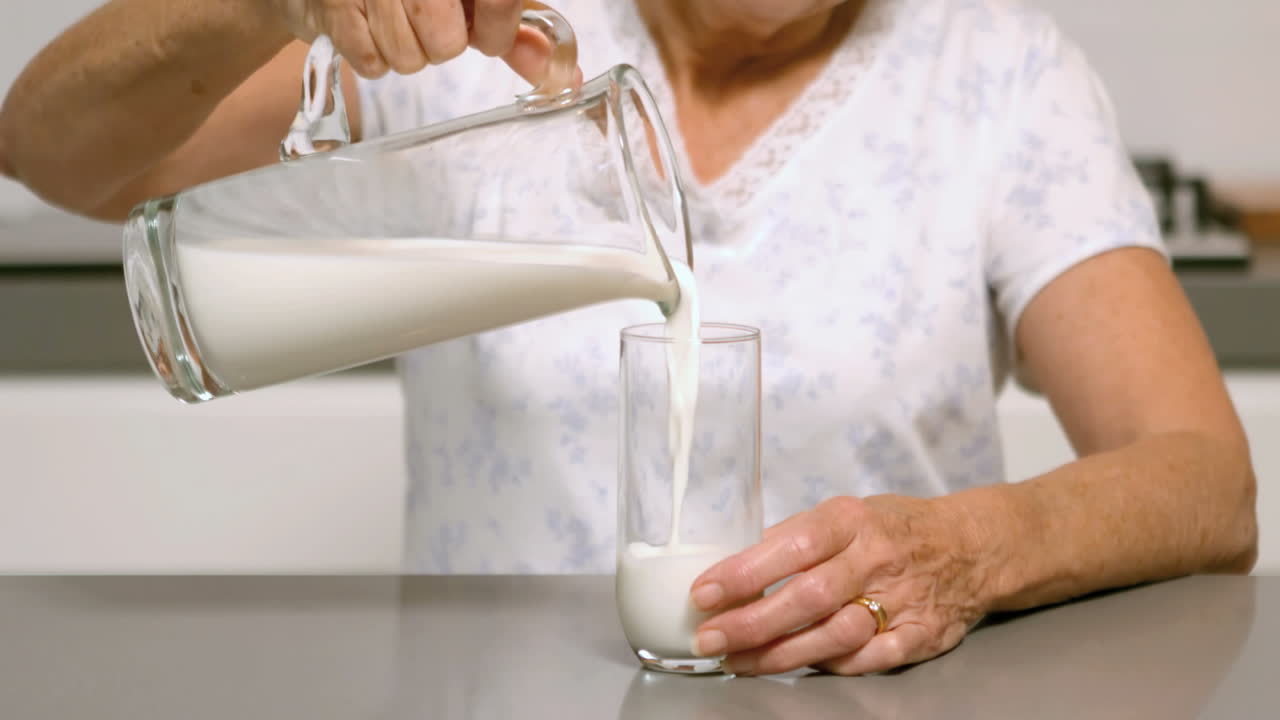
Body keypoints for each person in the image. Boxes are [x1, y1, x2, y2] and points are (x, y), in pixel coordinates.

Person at [0, 0, 1257, 677]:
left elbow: (1202, 479)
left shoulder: (994, 75)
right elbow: (51, 152)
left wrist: (970, 551)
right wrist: (272, 3)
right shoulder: (477, 41)